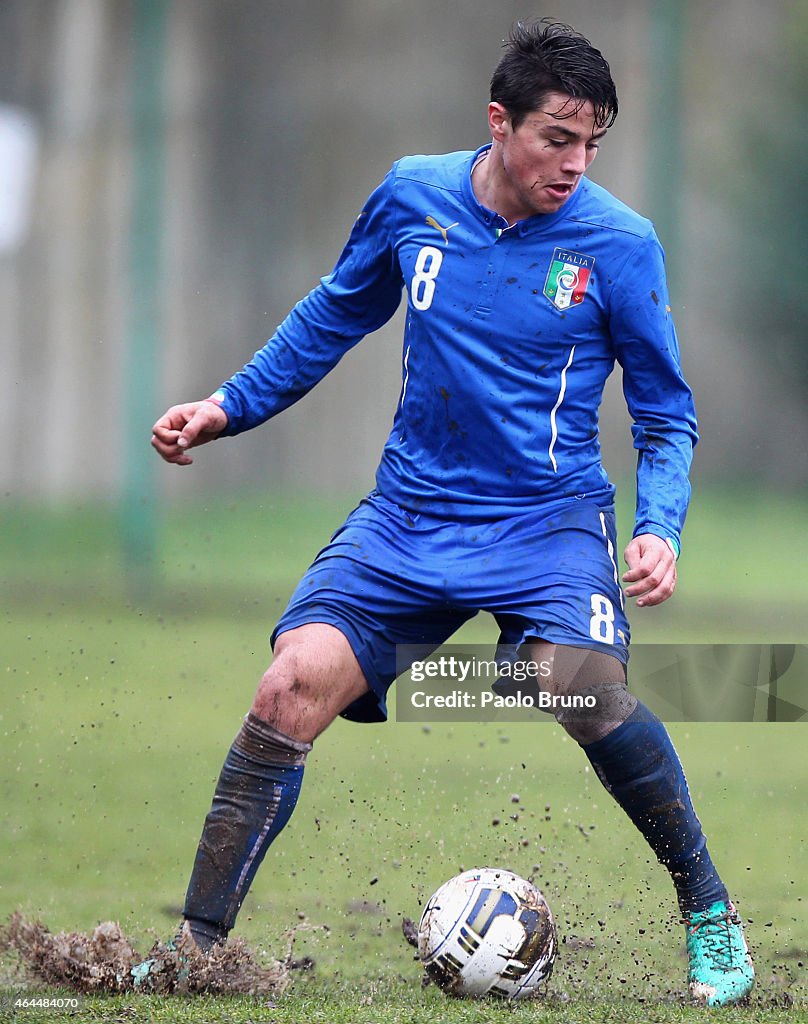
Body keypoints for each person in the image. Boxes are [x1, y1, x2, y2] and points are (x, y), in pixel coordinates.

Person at [148, 20, 754, 1006]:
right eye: (557, 136)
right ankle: (197, 948)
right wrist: (226, 406)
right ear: (497, 121)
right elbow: (333, 313)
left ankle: (709, 912)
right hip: (410, 516)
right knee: (286, 689)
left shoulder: (618, 243)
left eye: (593, 140)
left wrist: (659, 526)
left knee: (579, 683)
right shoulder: (413, 194)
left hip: (547, 525)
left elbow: (664, 409)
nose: (576, 160)